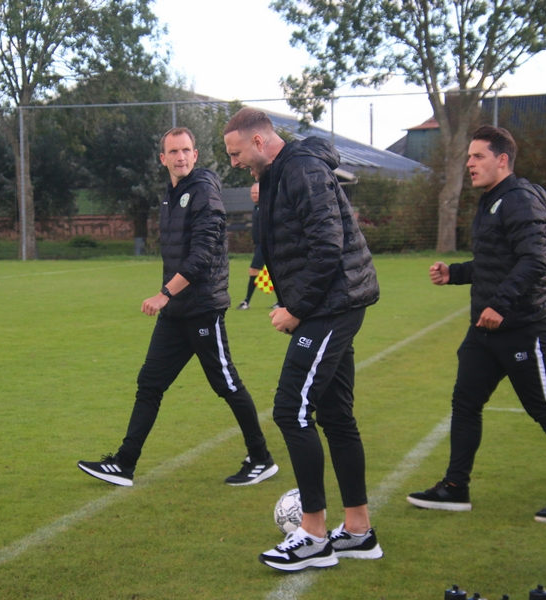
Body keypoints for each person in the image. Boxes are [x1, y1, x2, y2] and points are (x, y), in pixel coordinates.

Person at [406, 125, 546, 524]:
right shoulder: (492, 200)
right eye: (468, 157)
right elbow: (495, 263)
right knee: (465, 403)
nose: (469, 164)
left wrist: (501, 305)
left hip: (523, 327)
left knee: (545, 409)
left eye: (478, 157)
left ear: (502, 160)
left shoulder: (519, 199)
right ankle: (455, 487)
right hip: (485, 330)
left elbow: (535, 259)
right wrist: (454, 273)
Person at [223, 108, 383, 571]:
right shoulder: (277, 174)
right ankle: (358, 531)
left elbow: (328, 246)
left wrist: (295, 308)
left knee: (290, 409)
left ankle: (312, 534)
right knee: (335, 416)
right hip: (328, 303)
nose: (233, 162)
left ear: (258, 141)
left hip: (332, 304)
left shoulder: (301, 168)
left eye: (236, 152)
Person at [78, 127, 278, 488]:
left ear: (195, 155)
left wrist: (164, 294)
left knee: (226, 384)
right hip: (176, 313)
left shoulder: (203, 191)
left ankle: (261, 458)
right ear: (163, 159)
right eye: (173, 151)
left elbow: (202, 254)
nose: (181, 156)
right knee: (149, 383)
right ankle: (124, 463)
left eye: (186, 150)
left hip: (201, 308)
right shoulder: (170, 196)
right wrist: (170, 299)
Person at [236, 182, 278, 310]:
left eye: (257, 193)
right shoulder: (256, 207)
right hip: (259, 245)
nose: (254, 195)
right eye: (252, 193)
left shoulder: (267, 206)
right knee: (274, 273)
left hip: (265, 245)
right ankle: (282, 302)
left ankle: (246, 301)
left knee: (254, 270)